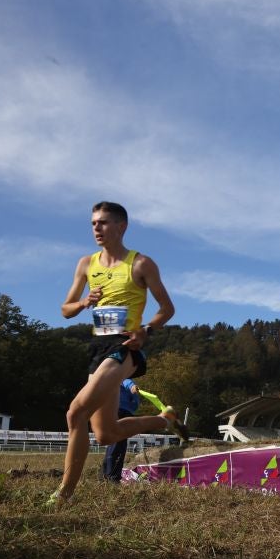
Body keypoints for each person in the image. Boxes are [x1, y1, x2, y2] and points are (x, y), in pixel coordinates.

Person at [50, 201, 184, 506]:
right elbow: (65, 310)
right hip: (98, 347)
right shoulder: (86, 264)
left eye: (104, 223)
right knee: (107, 434)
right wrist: (84, 302)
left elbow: (167, 308)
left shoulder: (141, 264)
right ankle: (165, 420)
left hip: (125, 347)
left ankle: (64, 494)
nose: (97, 228)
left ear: (121, 227)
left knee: (75, 412)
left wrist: (146, 331)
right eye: (94, 223)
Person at [101, 378, 140, 482]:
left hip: (119, 411)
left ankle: (106, 474)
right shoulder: (122, 378)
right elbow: (127, 383)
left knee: (115, 444)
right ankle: (112, 477)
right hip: (121, 412)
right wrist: (132, 387)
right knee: (118, 445)